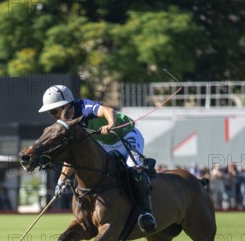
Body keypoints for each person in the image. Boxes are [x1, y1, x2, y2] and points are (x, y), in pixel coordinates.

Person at [38, 85, 157, 232]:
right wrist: (61, 181)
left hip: (126, 136)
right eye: (51, 113)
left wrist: (110, 124)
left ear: (67, 106)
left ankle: (146, 213)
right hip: (106, 144)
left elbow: (107, 110)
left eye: (54, 111)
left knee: (134, 169)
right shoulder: (68, 127)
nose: (54, 116)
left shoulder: (84, 107)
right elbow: (72, 158)